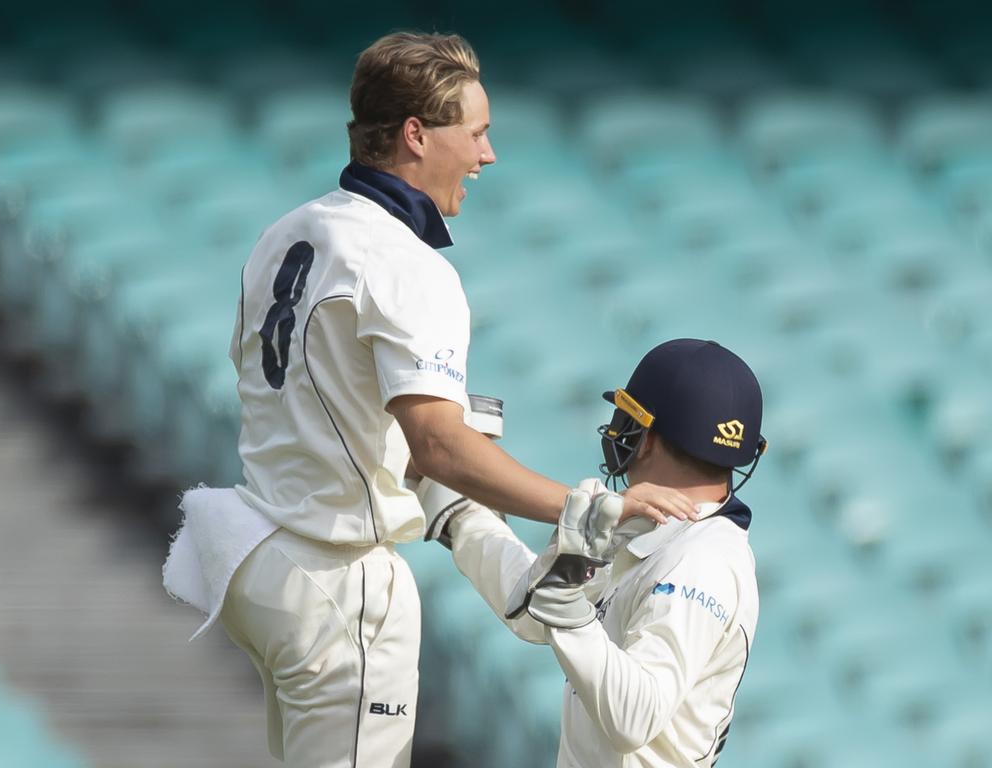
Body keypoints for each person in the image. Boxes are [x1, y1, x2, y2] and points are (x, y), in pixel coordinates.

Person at [162, 32, 695, 767]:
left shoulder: (286, 232)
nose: (487, 155)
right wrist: (589, 508)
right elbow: (437, 447)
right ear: (416, 134)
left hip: (263, 555)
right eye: (475, 133)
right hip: (336, 579)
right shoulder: (408, 265)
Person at [420, 338, 767, 768]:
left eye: (628, 417)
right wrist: (465, 517)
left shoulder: (702, 562)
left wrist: (566, 607)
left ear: (647, 439)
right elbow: (535, 614)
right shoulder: (657, 528)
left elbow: (633, 716)